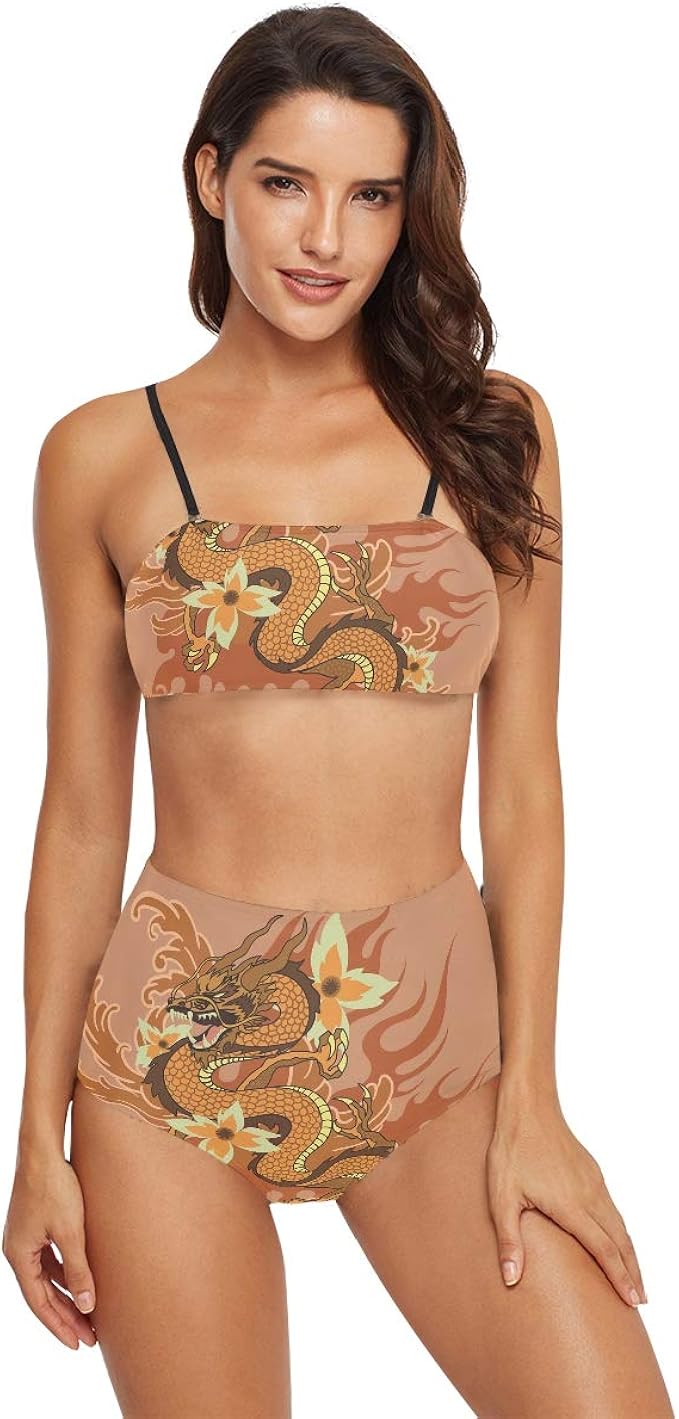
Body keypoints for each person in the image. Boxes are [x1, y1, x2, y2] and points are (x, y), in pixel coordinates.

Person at [3, 6, 674, 1416]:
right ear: (211, 177)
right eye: (284, 183)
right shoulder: (101, 455)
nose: (326, 238)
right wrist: (35, 1138)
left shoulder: (494, 433)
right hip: (171, 1049)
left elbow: (526, 793)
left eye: (371, 195)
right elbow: (79, 817)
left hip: (436, 1046)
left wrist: (536, 1099)